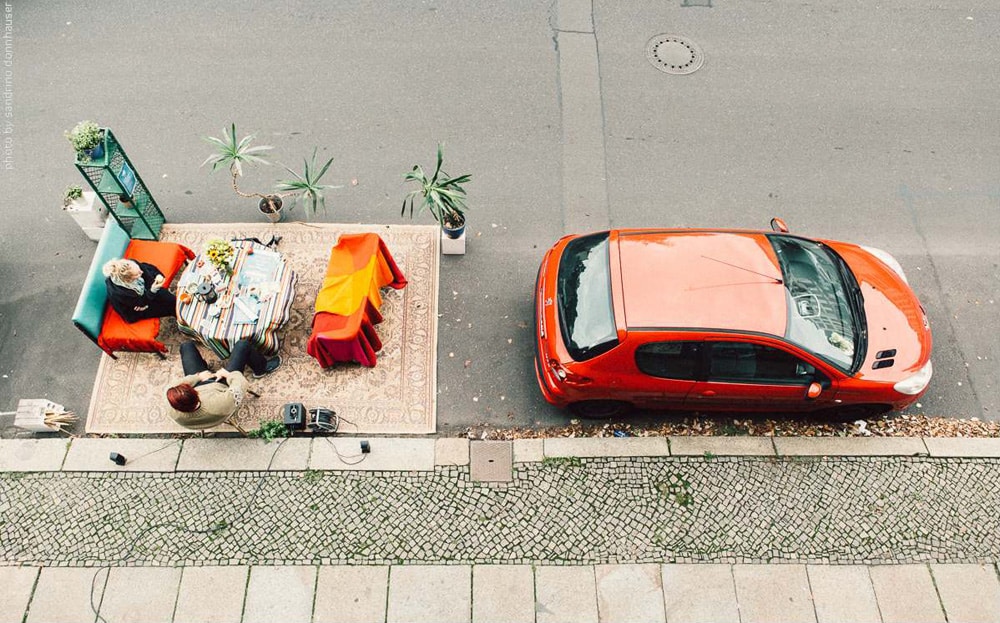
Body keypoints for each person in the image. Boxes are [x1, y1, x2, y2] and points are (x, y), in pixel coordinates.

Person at [165, 338, 281, 431]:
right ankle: (261, 368)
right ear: (195, 393)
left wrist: (198, 376)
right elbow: (241, 384)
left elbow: (172, 386)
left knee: (186, 346)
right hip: (220, 385)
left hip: (200, 382)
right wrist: (228, 374)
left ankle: (203, 367)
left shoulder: (171, 404)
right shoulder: (220, 405)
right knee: (242, 345)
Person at [103, 258, 176, 323]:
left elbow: (146, 270)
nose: (141, 272)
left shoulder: (133, 265)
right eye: (137, 274)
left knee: (172, 300)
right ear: (129, 280)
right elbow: (141, 302)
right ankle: (181, 321)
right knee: (170, 308)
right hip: (134, 309)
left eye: (139, 269)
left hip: (144, 293)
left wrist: (157, 275)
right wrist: (152, 291)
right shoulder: (120, 293)